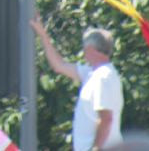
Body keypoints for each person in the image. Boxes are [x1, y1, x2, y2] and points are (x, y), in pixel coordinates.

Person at [31, 16, 123, 151]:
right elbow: (59, 65)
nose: (84, 52)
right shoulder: (92, 74)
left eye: (84, 48)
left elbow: (106, 118)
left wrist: (96, 148)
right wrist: (43, 35)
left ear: (90, 49)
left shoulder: (103, 77)